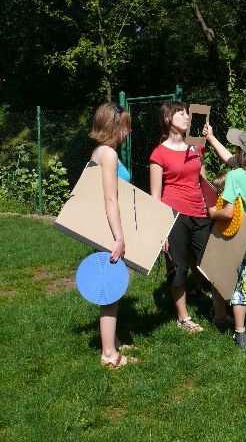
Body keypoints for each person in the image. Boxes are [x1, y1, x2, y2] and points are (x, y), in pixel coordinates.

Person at [205, 125, 246, 348]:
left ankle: (240, 333)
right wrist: (211, 138)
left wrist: (212, 212)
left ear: (242, 154)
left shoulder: (234, 176)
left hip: (239, 239)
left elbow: (228, 212)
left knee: (238, 286)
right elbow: (229, 159)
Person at [150, 102, 210, 334]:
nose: (187, 117)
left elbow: (202, 178)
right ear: (168, 119)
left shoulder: (196, 146)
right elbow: (155, 196)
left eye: (187, 113)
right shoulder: (159, 153)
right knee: (178, 267)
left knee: (208, 263)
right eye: (181, 113)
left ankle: (218, 310)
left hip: (200, 212)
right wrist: (160, 230)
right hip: (174, 215)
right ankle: (183, 318)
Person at [89, 103, 137, 368]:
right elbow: (110, 198)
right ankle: (108, 354)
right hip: (110, 232)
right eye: (125, 126)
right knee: (110, 292)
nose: (128, 132)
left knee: (112, 291)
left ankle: (113, 340)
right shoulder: (108, 154)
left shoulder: (101, 151)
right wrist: (119, 237)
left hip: (108, 229)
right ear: (113, 126)